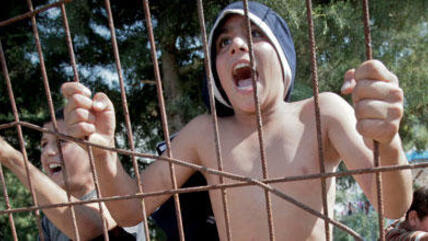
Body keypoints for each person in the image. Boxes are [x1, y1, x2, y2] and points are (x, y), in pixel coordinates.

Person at [61, 1, 412, 240]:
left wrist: (387, 140)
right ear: (216, 75)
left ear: (283, 57)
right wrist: (103, 150)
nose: (235, 46)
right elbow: (129, 210)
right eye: (223, 42)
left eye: (254, 34)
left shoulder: (323, 112)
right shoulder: (204, 132)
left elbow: (393, 205)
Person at [0, 110, 144, 241]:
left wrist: (13, 159)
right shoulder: (51, 219)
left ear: (93, 150)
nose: (48, 152)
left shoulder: (116, 197)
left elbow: (90, 228)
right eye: (44, 144)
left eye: (61, 141)